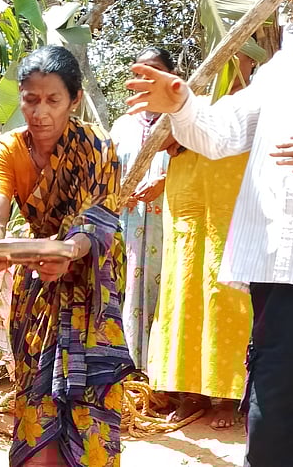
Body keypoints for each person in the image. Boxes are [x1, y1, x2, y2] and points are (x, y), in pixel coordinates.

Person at [125, 0, 293, 461]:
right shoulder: (288, 62)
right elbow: (222, 132)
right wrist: (180, 105)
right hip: (284, 280)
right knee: (271, 440)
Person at [0, 45, 133, 467]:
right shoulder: (7, 149)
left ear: (74, 100)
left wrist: (70, 253)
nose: (39, 112)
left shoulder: (97, 146)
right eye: (30, 99)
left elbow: (96, 219)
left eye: (52, 100)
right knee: (37, 405)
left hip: (90, 286)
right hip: (39, 289)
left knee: (87, 411)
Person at [144, 53, 256, 430]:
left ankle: (227, 396)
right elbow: (160, 143)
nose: (240, 66)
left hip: (231, 211)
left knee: (226, 294)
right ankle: (188, 392)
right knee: (184, 290)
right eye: (237, 60)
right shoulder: (195, 101)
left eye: (247, 61)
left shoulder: (258, 104)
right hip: (189, 206)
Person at [110, 47, 172, 374]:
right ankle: (130, 368)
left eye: (156, 70)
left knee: (167, 292)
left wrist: (164, 180)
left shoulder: (181, 122)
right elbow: (106, 172)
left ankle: (162, 373)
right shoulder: (121, 126)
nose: (147, 77)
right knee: (127, 291)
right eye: (141, 71)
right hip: (127, 225)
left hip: (170, 226)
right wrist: (120, 192)